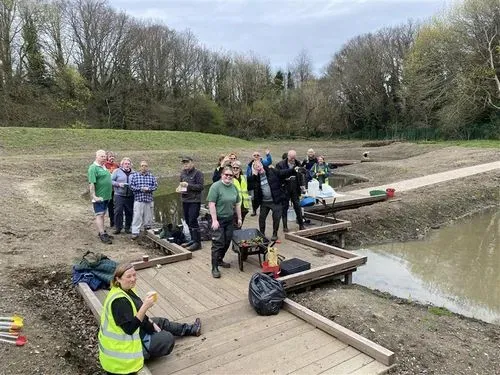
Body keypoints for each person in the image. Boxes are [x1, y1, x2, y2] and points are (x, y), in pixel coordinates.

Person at [98, 263, 201, 375]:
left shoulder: (125, 289)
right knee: (167, 338)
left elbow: (136, 312)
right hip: (124, 355)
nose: (133, 279)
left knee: (160, 322)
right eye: (128, 276)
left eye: (134, 275)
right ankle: (147, 351)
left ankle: (191, 329)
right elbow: (129, 329)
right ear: (118, 278)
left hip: (130, 336)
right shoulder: (119, 301)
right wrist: (145, 306)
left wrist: (151, 323)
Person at [247, 161, 296, 241]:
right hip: (264, 202)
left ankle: (274, 233)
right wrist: (254, 176)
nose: (258, 168)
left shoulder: (271, 171)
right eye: (256, 167)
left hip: (275, 200)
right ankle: (262, 234)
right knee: (261, 219)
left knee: (276, 218)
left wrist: (293, 169)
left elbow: (282, 173)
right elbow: (249, 187)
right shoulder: (255, 178)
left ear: (262, 165)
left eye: (259, 165)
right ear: (254, 169)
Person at [207, 166, 242, 278]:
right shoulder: (215, 187)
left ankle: (220, 259)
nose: (228, 177)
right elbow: (211, 204)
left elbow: (237, 204)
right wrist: (214, 220)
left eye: (230, 175)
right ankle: (215, 267)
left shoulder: (234, 188)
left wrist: (239, 218)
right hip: (218, 219)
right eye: (226, 174)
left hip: (229, 219)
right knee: (218, 243)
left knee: (227, 241)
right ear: (222, 175)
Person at [276, 150, 306, 232]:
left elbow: (302, 175)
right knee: (284, 207)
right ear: (288, 156)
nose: (293, 159)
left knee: (297, 206)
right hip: (284, 188)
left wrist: (303, 185)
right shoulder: (280, 164)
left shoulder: (297, 163)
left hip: (295, 188)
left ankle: (301, 225)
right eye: (291, 158)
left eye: (294, 158)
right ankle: (285, 226)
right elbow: (278, 174)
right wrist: (290, 171)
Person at [179, 156, 204, 251]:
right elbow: (181, 185)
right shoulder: (182, 173)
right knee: (187, 220)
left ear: (192, 163)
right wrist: (180, 189)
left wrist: (188, 185)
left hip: (194, 200)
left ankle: (198, 243)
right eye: (184, 163)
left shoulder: (198, 173)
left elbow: (201, 187)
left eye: (187, 162)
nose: (185, 164)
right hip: (185, 200)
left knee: (193, 220)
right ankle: (193, 240)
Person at [88, 149, 113, 244]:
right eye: (102, 156)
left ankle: (102, 231)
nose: (104, 158)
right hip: (99, 197)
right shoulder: (93, 168)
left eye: (105, 156)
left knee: (103, 214)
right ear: (96, 156)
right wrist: (94, 196)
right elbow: (92, 184)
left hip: (106, 196)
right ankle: (102, 234)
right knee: (99, 214)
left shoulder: (103, 166)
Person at [129, 161, 158, 240]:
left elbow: (155, 186)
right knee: (137, 216)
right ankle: (135, 232)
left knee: (148, 217)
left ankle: (147, 230)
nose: (144, 167)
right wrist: (141, 189)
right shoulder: (135, 176)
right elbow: (131, 187)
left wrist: (149, 189)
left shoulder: (151, 176)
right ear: (140, 167)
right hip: (139, 199)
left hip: (148, 199)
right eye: (142, 166)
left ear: (147, 167)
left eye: (145, 166)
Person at [111, 158, 134, 234]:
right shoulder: (117, 171)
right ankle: (118, 228)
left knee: (129, 212)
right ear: (122, 164)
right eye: (125, 164)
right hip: (119, 195)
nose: (127, 165)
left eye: (128, 164)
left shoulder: (134, 173)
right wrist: (118, 184)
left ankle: (127, 228)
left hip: (130, 195)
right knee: (118, 211)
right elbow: (110, 181)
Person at [246, 149, 272, 216]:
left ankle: (262, 209)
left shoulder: (263, 162)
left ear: (260, 156)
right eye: (255, 155)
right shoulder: (250, 164)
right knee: (253, 197)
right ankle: (254, 210)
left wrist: (268, 154)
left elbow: (269, 161)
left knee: (261, 195)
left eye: (258, 155)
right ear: (252, 157)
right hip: (253, 181)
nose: (256, 156)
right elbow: (247, 173)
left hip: (262, 181)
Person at [231, 160, 250, 226]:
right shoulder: (230, 179)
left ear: (240, 169)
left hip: (244, 207)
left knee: (240, 225)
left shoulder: (244, 177)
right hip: (234, 207)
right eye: (233, 168)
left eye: (237, 168)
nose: (235, 169)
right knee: (234, 226)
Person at [104, 152, 120, 228]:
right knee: (109, 205)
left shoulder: (116, 165)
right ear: (107, 157)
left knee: (115, 205)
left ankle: (116, 221)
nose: (112, 158)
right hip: (107, 188)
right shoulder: (104, 165)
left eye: (113, 156)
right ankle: (112, 221)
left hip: (115, 189)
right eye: (110, 156)